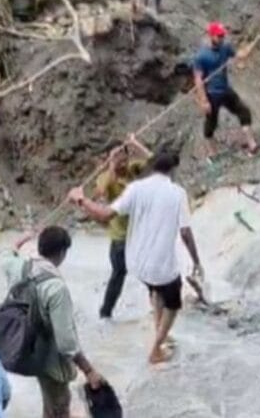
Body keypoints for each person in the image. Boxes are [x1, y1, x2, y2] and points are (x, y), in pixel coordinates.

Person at [68, 151, 203, 366]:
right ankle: (156, 350)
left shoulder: (135, 188)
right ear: (172, 171)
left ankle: (159, 332)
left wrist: (81, 200)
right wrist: (196, 260)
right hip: (160, 265)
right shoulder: (178, 193)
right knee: (174, 303)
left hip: (137, 263)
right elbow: (185, 232)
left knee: (156, 290)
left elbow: (104, 214)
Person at [0, 226, 104, 418]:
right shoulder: (56, 288)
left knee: (51, 404)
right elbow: (66, 343)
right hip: (49, 359)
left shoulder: (19, 267)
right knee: (59, 406)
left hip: (24, 346)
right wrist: (89, 371)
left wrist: (22, 239)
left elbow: (6, 254)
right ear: (62, 252)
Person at [96, 135, 152, 319]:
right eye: (117, 154)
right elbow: (103, 193)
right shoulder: (104, 177)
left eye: (124, 152)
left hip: (139, 233)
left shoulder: (133, 170)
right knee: (119, 275)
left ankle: (158, 307)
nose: (122, 157)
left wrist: (135, 144)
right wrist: (111, 165)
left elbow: (154, 162)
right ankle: (105, 313)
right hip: (120, 237)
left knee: (150, 271)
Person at [193, 21, 258, 158]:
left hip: (225, 89)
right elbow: (198, 80)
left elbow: (239, 55)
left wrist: (253, 44)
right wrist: (204, 101)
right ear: (211, 36)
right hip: (212, 94)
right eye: (219, 36)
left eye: (222, 35)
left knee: (244, 111)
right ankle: (211, 151)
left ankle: (251, 143)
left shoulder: (225, 47)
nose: (222, 38)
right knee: (211, 123)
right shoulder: (201, 56)